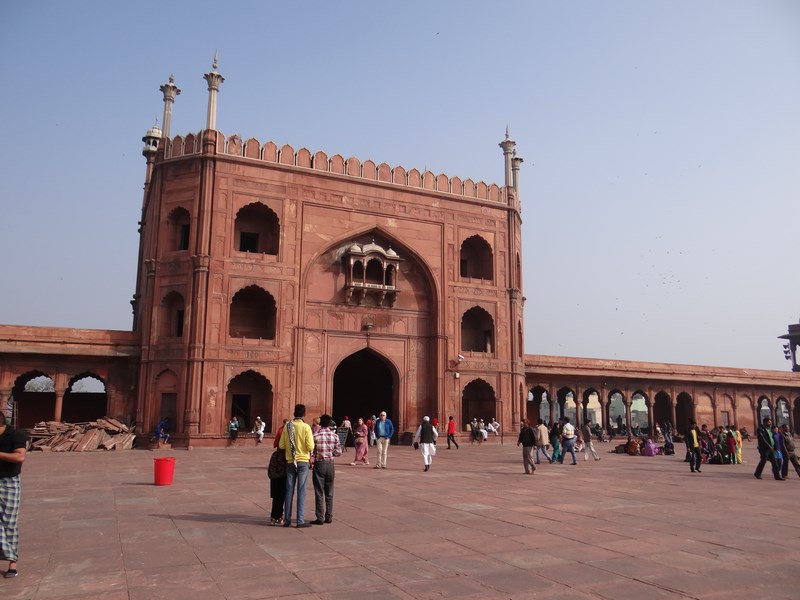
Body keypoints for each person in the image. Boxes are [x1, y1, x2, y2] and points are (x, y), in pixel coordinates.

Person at [278, 404, 315, 527]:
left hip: (290, 461)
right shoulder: (305, 427)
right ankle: (300, 520)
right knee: (301, 490)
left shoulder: (287, 426)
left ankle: (287, 520)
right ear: (304, 413)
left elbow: (281, 445)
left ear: (294, 413)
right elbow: (310, 446)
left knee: (289, 490)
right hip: (303, 461)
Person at [0, 418, 27, 578]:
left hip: (9, 481)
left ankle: (12, 563)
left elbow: (20, 457)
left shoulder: (16, 435)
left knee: (9, 523)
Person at [310, 414, 341, 524]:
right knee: (329, 492)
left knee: (319, 492)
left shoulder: (316, 435)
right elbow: (338, 452)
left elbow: (311, 451)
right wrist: (330, 453)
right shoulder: (335, 436)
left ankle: (320, 517)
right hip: (330, 464)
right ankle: (329, 516)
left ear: (320, 423)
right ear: (329, 423)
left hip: (319, 464)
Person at [754, 417, 782, 481]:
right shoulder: (761, 429)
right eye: (769, 422)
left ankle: (777, 476)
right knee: (763, 461)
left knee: (774, 462)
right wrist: (769, 446)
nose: (770, 423)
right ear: (764, 422)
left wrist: (775, 447)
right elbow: (762, 439)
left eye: (770, 422)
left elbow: (772, 438)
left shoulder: (770, 429)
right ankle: (757, 473)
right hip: (764, 448)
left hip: (771, 448)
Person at [267, 445, 287, 525]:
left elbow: (271, 468)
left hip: (275, 479)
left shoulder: (275, 454)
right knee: (281, 499)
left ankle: (274, 517)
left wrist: (272, 476)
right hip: (282, 479)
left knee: (276, 499)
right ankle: (279, 516)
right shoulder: (286, 455)